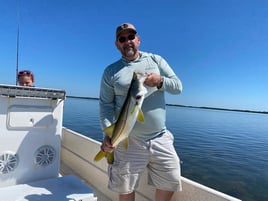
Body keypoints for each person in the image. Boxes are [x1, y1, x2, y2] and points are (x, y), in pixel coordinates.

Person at [99, 23, 183, 201]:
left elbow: (178, 87)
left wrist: (160, 81)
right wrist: (107, 132)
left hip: (160, 136)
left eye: (131, 37)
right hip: (128, 139)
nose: (127, 41)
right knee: (125, 187)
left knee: (172, 179)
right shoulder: (111, 71)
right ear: (117, 44)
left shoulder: (156, 60)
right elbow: (106, 105)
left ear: (138, 40)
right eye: (122, 39)